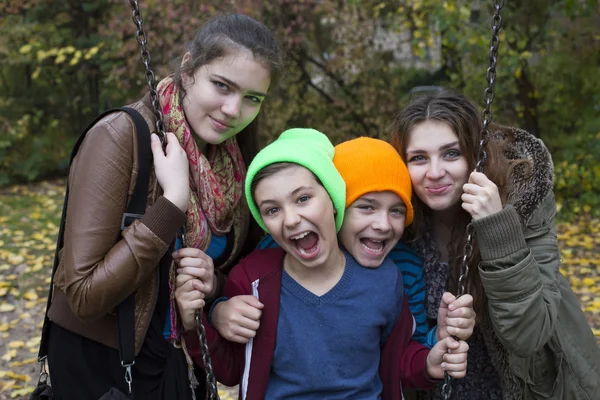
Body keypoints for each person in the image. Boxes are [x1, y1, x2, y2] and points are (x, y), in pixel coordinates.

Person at [45, 13, 283, 400]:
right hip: (106, 368)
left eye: (252, 98)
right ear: (188, 68)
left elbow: (234, 271)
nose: (233, 110)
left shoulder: (234, 161)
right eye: (222, 85)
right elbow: (83, 295)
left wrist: (216, 289)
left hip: (182, 360)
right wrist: (172, 204)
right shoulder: (121, 136)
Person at [177, 129, 469, 399]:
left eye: (303, 199)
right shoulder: (253, 279)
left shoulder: (386, 280)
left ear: (333, 199)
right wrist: (197, 322)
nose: (291, 219)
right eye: (272, 210)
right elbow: (229, 370)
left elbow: (397, 358)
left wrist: (430, 363)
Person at [391, 88, 600, 399]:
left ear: (476, 155)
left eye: (451, 153)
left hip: (527, 387)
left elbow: (529, 335)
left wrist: (498, 229)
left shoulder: (523, 203)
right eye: (419, 158)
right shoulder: (394, 222)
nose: (435, 173)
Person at [207, 137, 475, 350]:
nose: (382, 224)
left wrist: (438, 337)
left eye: (396, 210)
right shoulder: (277, 255)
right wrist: (218, 311)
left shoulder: (404, 267)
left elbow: (408, 347)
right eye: (367, 207)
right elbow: (239, 297)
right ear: (337, 207)